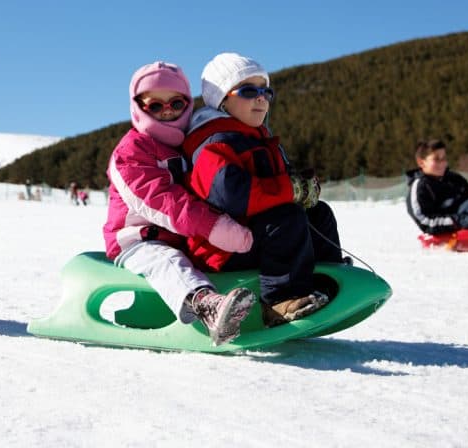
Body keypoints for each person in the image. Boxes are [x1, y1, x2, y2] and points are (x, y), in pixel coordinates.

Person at [181, 52, 344, 327]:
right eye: (248, 91)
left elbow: (277, 186)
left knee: (319, 214)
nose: (261, 98)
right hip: (222, 247)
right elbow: (233, 195)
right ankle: (280, 301)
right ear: (222, 99)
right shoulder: (213, 143)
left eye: (266, 91)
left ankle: (329, 278)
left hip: (254, 233)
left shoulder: (257, 139)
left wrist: (302, 188)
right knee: (285, 218)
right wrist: (289, 190)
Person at [103, 61, 256, 345]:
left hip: (183, 235)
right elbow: (160, 202)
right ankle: (205, 306)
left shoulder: (187, 143)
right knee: (167, 261)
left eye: (176, 103)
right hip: (139, 240)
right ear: (138, 106)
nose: (167, 112)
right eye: (155, 106)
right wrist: (214, 227)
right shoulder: (131, 150)